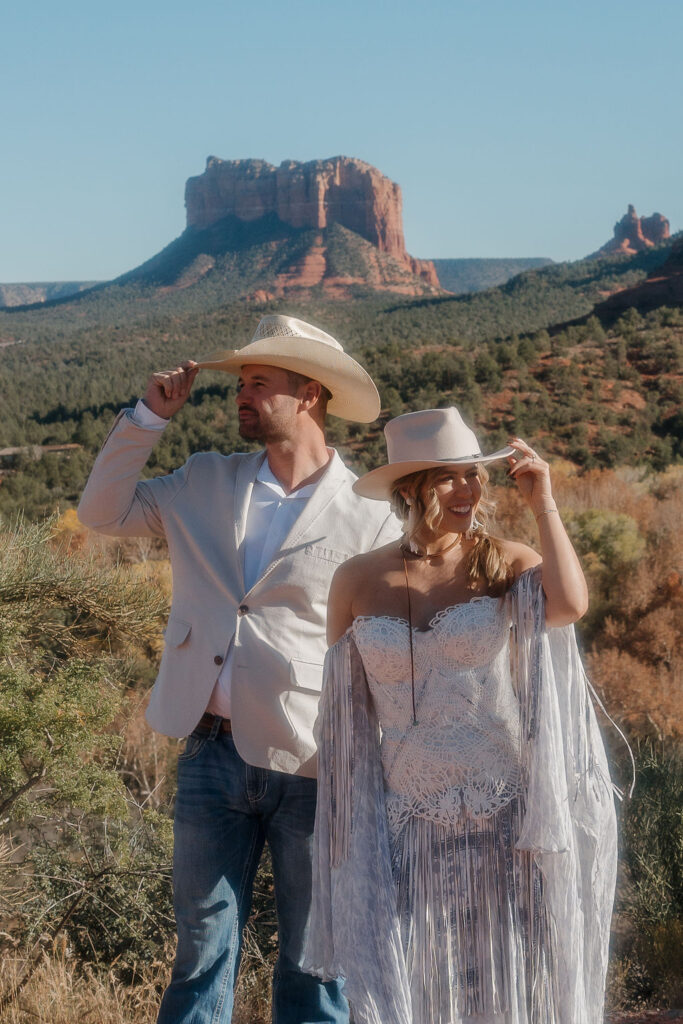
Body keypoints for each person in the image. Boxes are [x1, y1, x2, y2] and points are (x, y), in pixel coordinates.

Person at [77, 314, 402, 1024]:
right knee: (199, 951)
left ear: (310, 393)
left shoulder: (370, 515)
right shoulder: (202, 481)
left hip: (316, 764)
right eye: (241, 384)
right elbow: (99, 514)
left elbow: (387, 645)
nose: (240, 396)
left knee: (315, 961)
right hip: (209, 752)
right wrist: (146, 420)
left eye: (259, 383)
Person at [305, 407, 618, 1024]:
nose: (468, 490)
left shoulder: (503, 561)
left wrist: (543, 503)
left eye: (473, 475)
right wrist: (347, 830)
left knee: (505, 987)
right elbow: (343, 718)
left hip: (502, 816)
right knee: (419, 990)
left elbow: (571, 604)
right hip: (406, 825)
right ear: (409, 489)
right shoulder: (356, 579)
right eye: (447, 478)